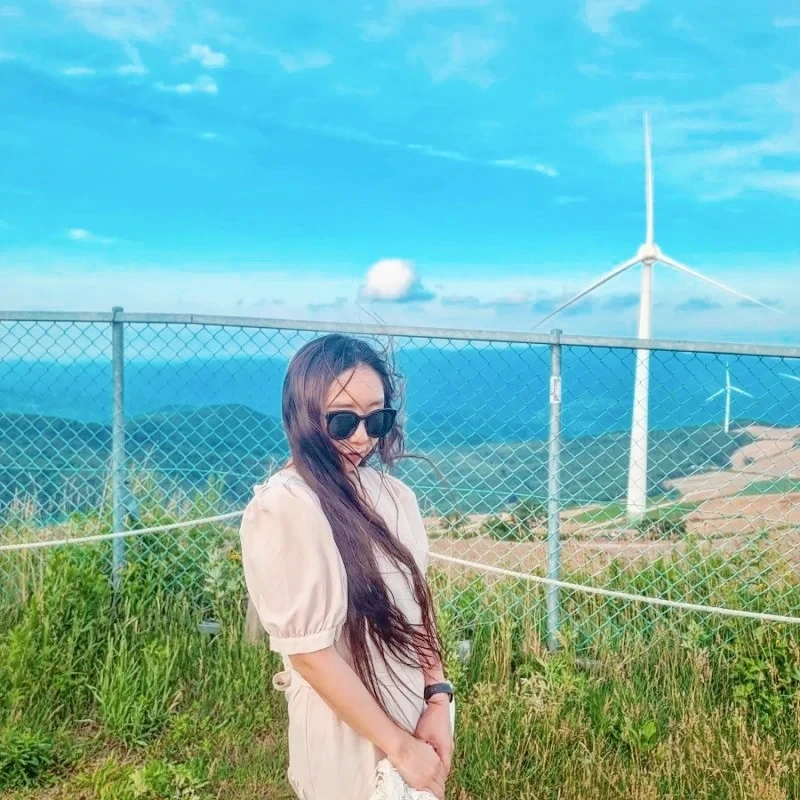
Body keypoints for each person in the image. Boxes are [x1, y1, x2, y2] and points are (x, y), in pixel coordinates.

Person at [239, 334, 455, 800]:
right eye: (342, 420)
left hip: (411, 715)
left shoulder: (394, 497)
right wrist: (400, 748)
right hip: (346, 737)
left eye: (377, 419)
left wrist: (438, 698)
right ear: (302, 416)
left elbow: (416, 610)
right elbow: (311, 655)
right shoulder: (287, 507)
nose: (362, 437)